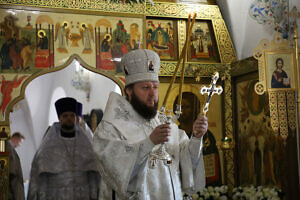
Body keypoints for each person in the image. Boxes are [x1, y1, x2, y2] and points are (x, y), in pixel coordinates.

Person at [93, 49, 208, 199]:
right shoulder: (111, 127)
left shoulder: (164, 122)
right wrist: (149, 142)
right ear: (129, 91)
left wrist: (196, 138)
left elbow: (187, 163)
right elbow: (116, 173)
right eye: (145, 88)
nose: (152, 93)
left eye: (155, 87)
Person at [27, 97, 100, 200]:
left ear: (75, 117)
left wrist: (94, 196)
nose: (69, 118)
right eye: (65, 116)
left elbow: (93, 174)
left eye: (72, 115)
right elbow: (41, 177)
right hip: (56, 195)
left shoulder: (85, 144)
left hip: (82, 194)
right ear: (60, 118)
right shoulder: (48, 146)